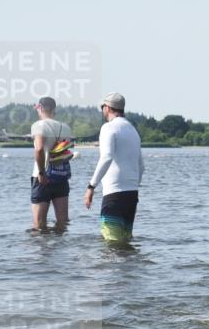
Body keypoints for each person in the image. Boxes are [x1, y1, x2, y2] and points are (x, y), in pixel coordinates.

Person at [84, 93, 144, 243]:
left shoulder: (108, 127)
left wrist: (91, 186)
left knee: (111, 243)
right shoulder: (132, 130)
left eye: (102, 107)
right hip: (131, 194)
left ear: (108, 108)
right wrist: (134, 186)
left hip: (114, 194)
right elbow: (141, 166)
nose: (102, 110)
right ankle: (129, 267)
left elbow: (106, 157)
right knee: (125, 241)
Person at [29, 96, 74, 230]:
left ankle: (44, 250)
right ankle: (60, 248)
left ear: (40, 108)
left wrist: (42, 172)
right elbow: (66, 152)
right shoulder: (65, 128)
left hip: (43, 177)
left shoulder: (38, 125)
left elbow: (39, 149)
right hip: (61, 176)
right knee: (62, 222)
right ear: (54, 110)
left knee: (39, 225)